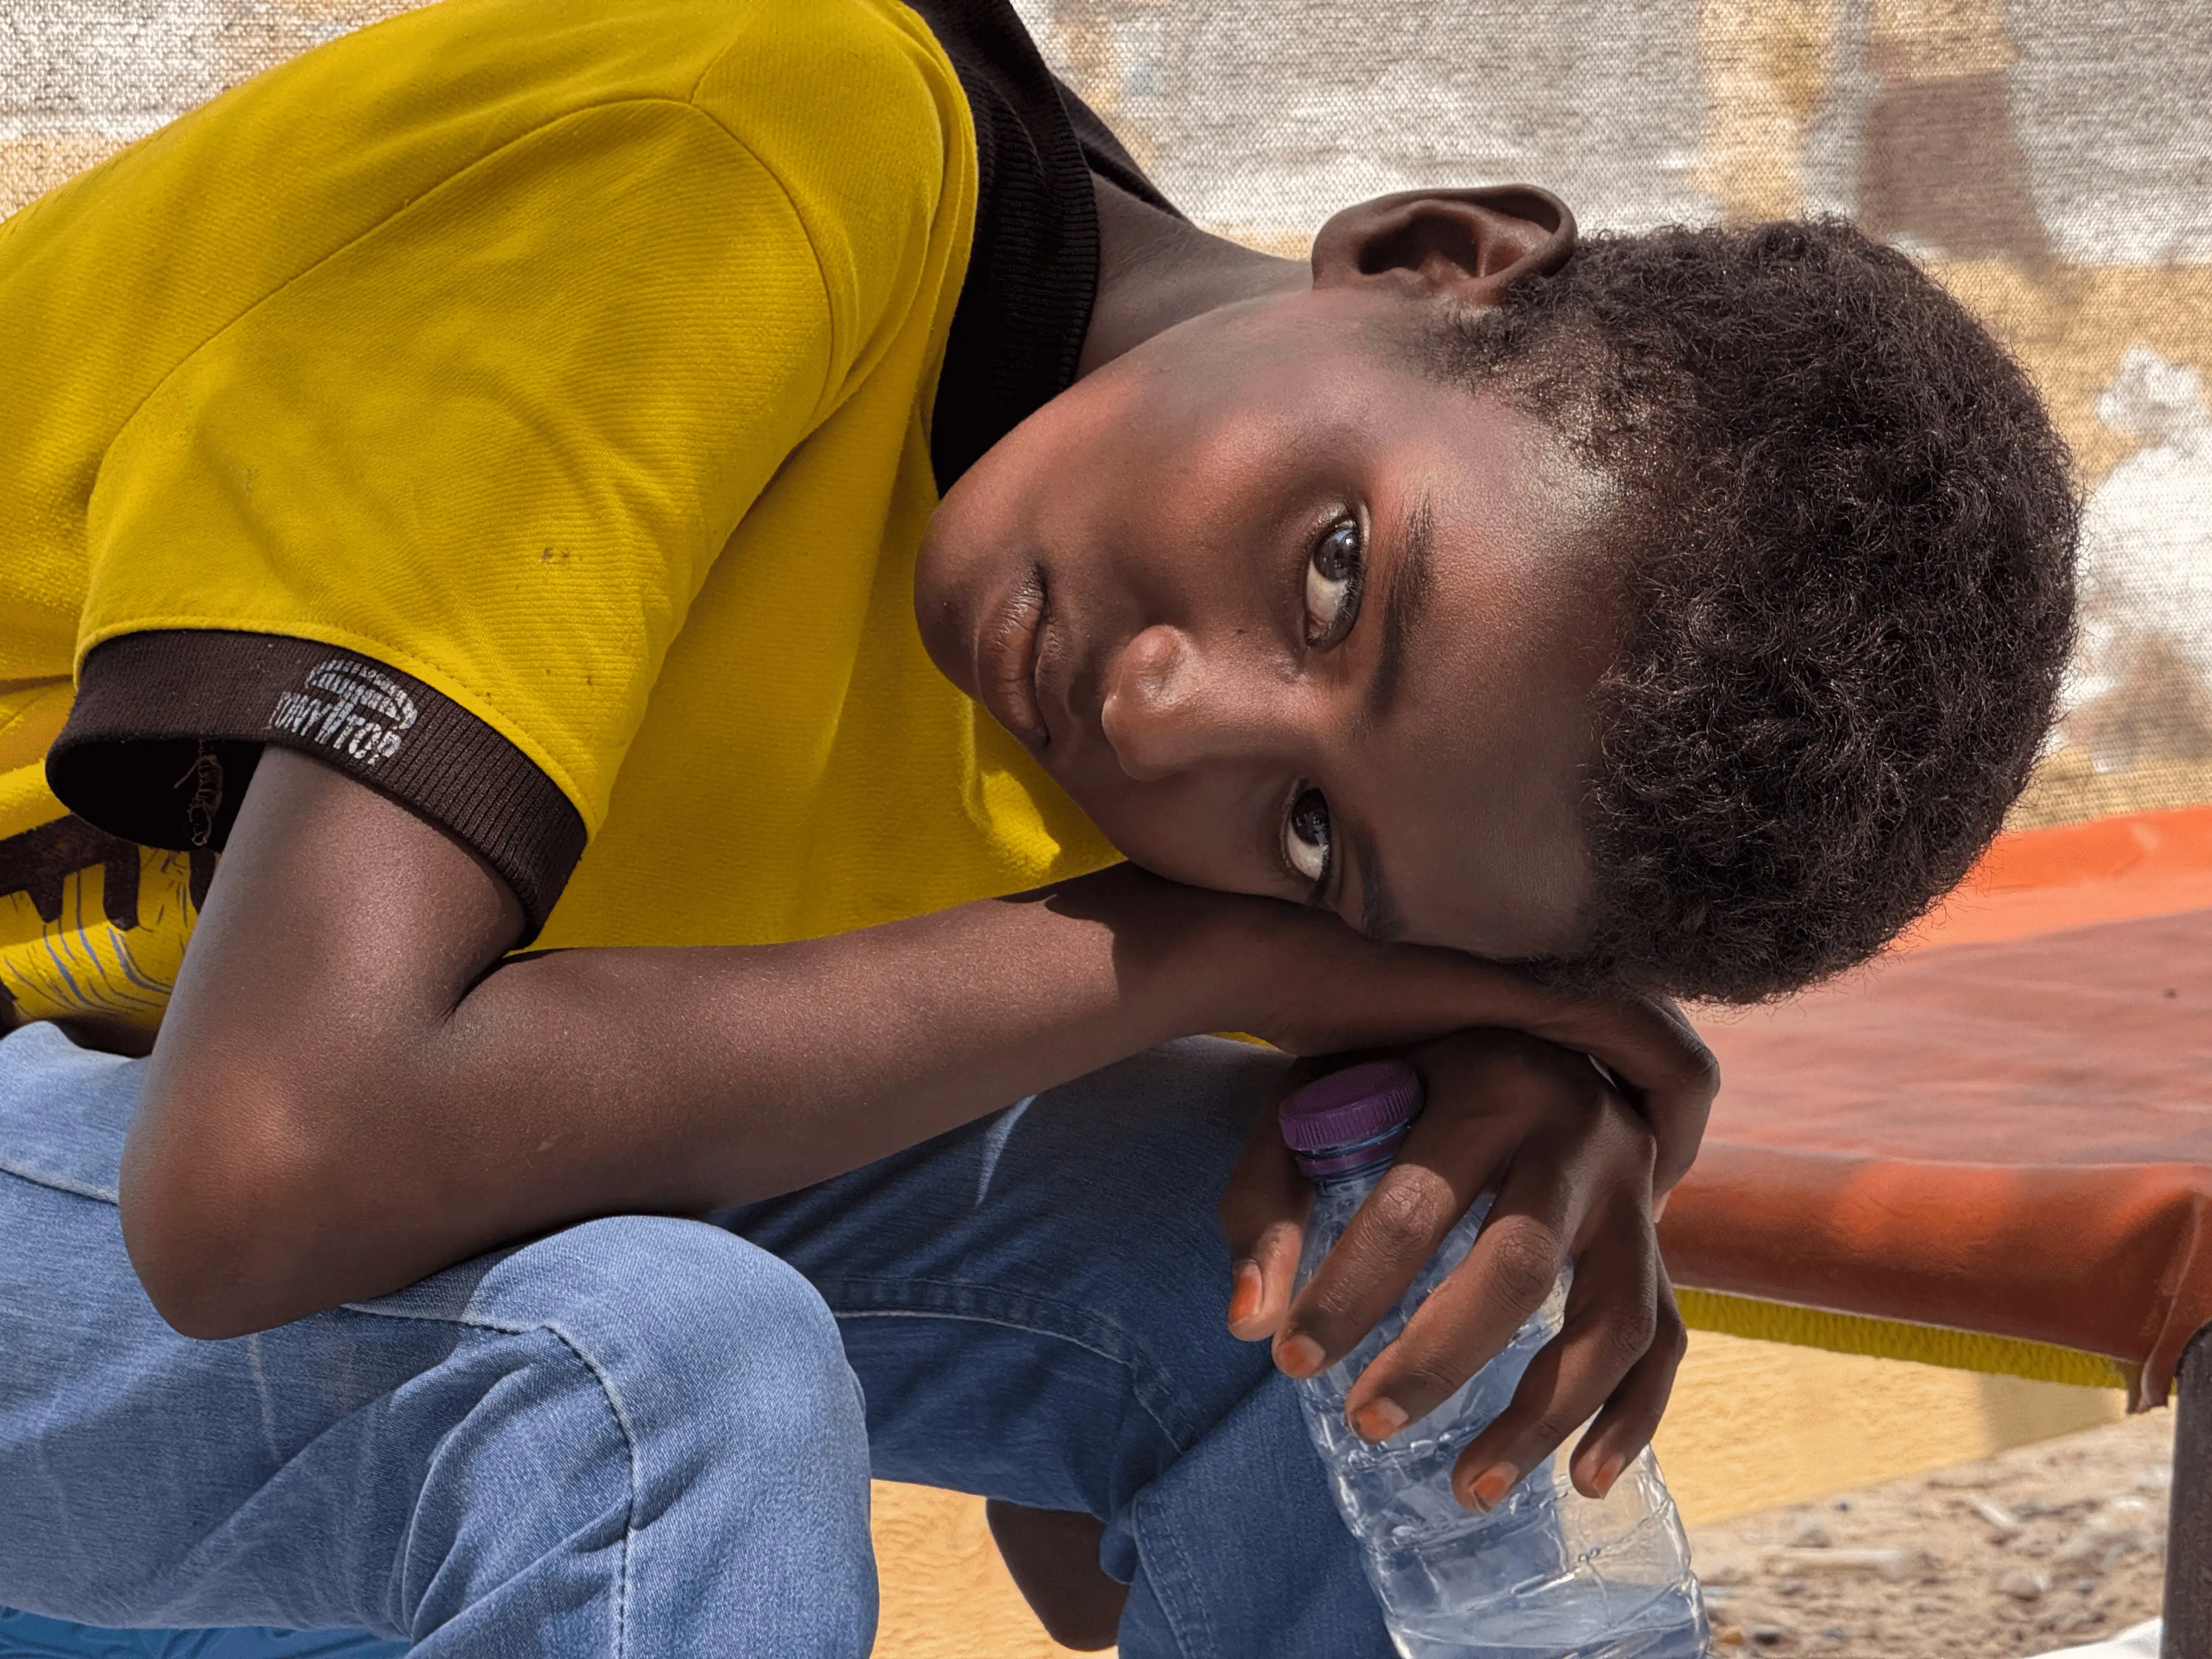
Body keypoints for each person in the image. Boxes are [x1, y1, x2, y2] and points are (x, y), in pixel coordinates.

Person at [0, 0, 2076, 1651]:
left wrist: (1450, 1107)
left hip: (173, 1300)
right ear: (1434, 261)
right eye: (1340, 571)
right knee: (648, 1382)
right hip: (174, 1217)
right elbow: (264, 1185)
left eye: (1316, 836)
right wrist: (1216, 952)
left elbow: (1099, 1543)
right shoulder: (742, 144)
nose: (1170, 716)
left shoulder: (1107, 619)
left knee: (1326, 1277)